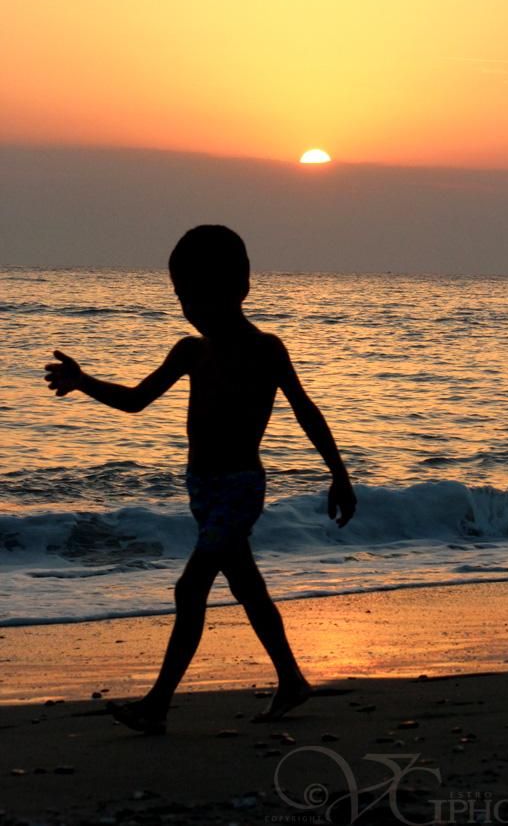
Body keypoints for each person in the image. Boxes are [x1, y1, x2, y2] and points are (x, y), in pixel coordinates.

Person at [44, 225, 357, 734]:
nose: (188, 308)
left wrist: (339, 475)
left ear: (239, 290)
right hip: (202, 490)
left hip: (239, 488)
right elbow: (134, 401)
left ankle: (157, 705)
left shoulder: (266, 349)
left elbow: (307, 413)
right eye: (181, 297)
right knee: (247, 586)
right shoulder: (190, 351)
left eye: (197, 296)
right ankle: (291, 680)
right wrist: (83, 383)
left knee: (190, 590)